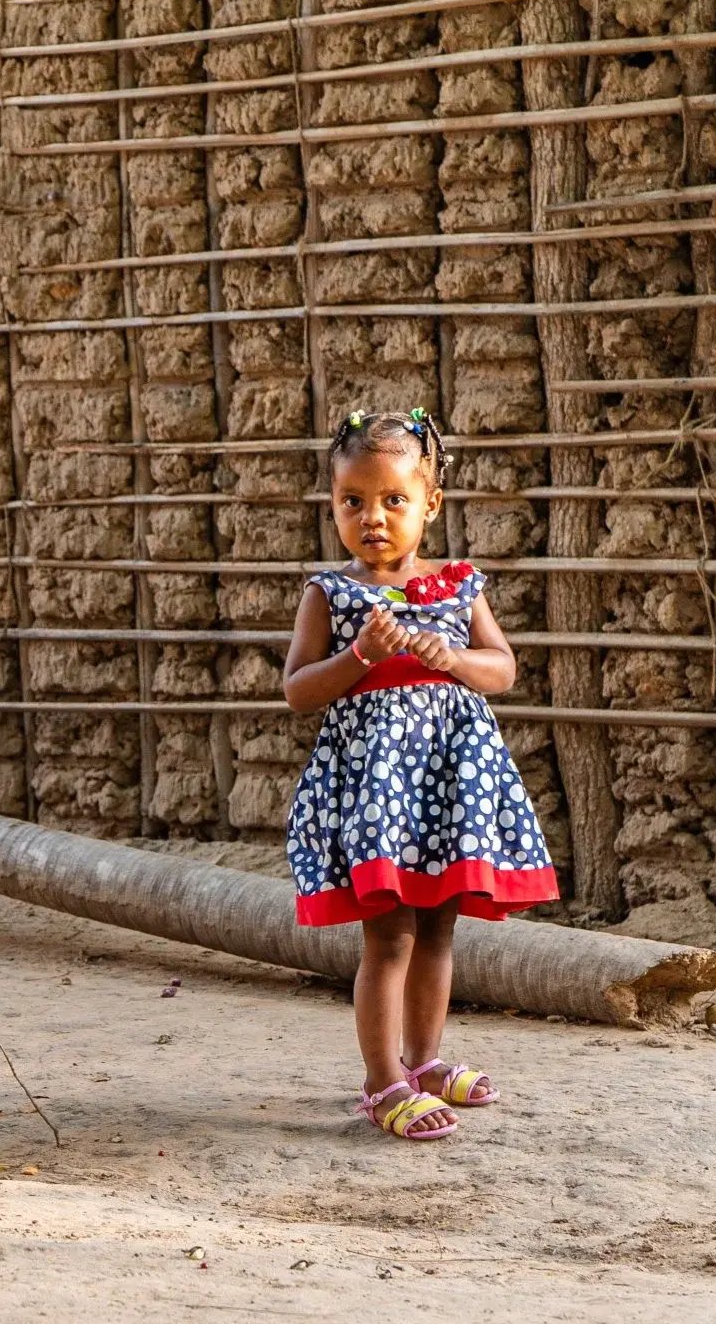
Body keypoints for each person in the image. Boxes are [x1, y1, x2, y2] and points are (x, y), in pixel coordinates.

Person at [282, 407, 558, 1141]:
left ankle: (425, 1060)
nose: (373, 518)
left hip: (447, 789)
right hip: (378, 797)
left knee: (438, 927)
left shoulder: (459, 588)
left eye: (393, 500)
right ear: (333, 504)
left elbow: (502, 669)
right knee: (390, 936)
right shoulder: (332, 594)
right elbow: (298, 690)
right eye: (353, 502)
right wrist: (359, 658)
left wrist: (453, 660)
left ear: (430, 503)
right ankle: (382, 1083)